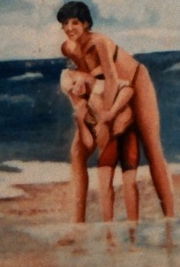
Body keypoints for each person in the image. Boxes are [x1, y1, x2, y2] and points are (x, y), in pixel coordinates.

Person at [55, 1, 175, 220]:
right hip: (106, 93)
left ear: (86, 24)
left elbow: (111, 78)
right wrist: (84, 111)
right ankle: (78, 223)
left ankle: (170, 218)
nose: (69, 28)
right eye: (65, 23)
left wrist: (106, 120)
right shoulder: (68, 48)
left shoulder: (99, 42)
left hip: (135, 82)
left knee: (152, 147)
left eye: (75, 22)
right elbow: (91, 81)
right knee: (77, 152)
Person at [60, 65, 141, 223]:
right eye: (71, 90)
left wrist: (112, 113)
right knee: (104, 185)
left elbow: (128, 89)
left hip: (127, 132)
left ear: (80, 74)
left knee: (129, 183)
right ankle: (108, 228)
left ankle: (133, 227)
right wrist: (80, 122)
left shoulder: (101, 84)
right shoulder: (86, 106)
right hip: (109, 139)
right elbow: (89, 141)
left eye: (75, 83)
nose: (76, 90)